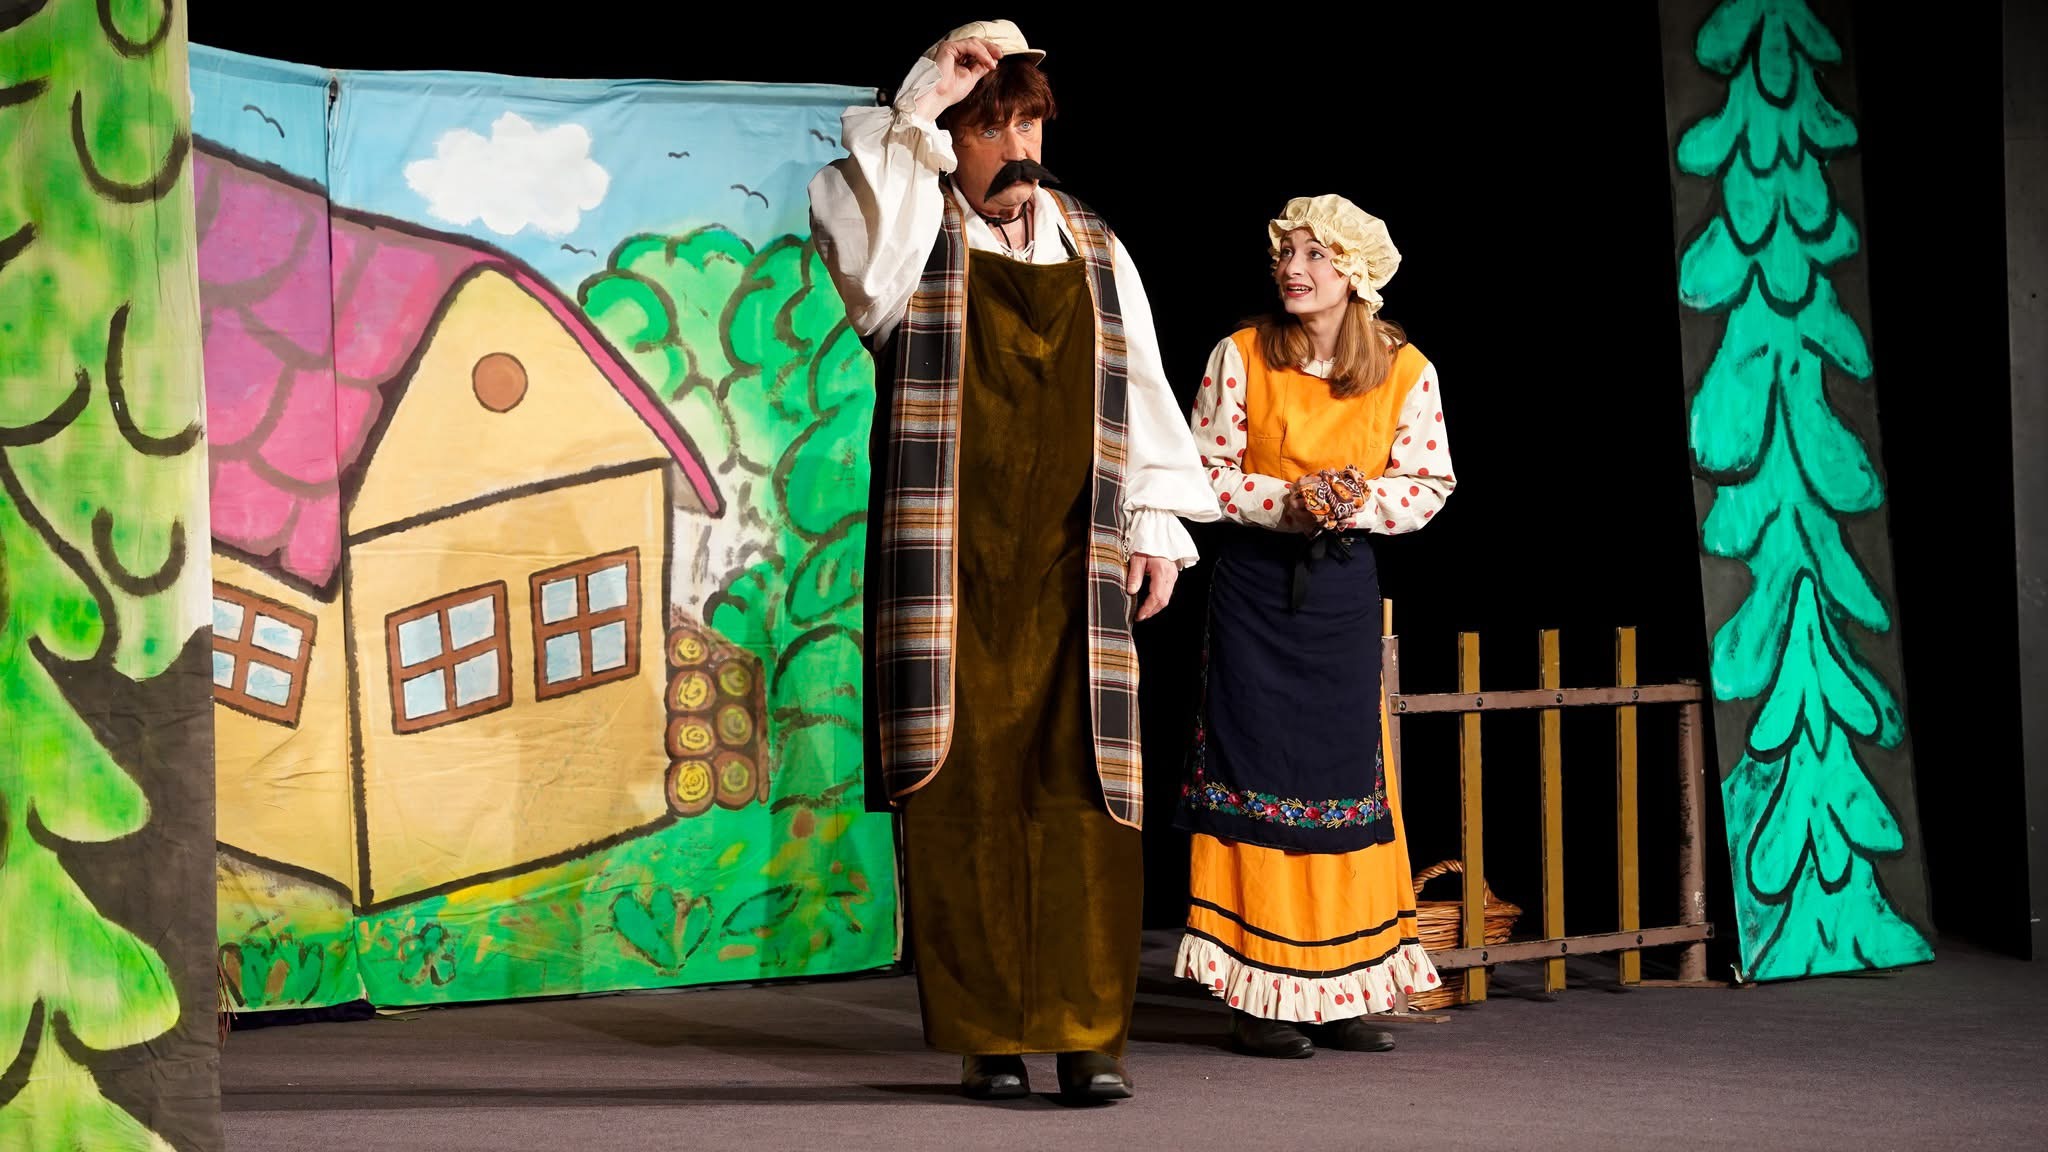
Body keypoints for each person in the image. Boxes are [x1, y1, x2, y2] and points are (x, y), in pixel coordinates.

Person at [807, 19, 1217, 1102]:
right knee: (963, 792)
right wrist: (924, 96)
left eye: (1031, 123)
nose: (1019, 147)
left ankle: (1087, 1037)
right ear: (953, 135)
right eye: (993, 127)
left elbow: (1142, 385)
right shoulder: (906, 231)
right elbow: (869, 242)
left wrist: (1155, 522)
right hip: (950, 567)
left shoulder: (1093, 243)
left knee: (1088, 789)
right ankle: (987, 1037)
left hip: (1071, 561)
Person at [1175, 194, 1450, 1058]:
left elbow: (1429, 482)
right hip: (1257, 590)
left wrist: (1354, 502)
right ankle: (1259, 993)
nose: (1293, 269)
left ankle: (1339, 989)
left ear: (1354, 274)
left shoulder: (1404, 369)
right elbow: (1202, 471)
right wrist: (1288, 500)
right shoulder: (1241, 354)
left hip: (1339, 592)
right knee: (1254, 771)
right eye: (1286, 254)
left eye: (1314, 256)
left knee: (1344, 782)